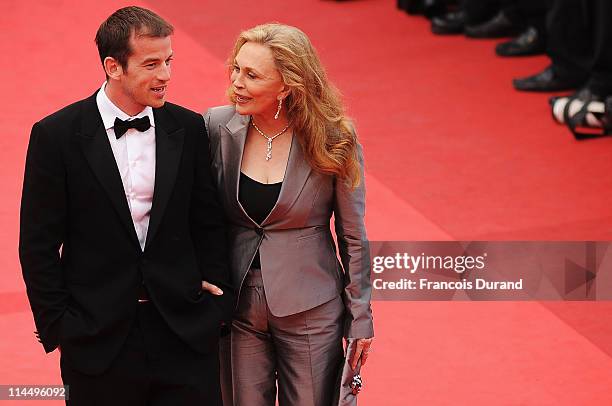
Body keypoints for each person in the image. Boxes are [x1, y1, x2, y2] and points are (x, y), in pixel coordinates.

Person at [19, 6, 232, 405]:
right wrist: (61, 328)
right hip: (97, 341)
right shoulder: (57, 135)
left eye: (168, 61)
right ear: (113, 66)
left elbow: (208, 221)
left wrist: (215, 310)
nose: (166, 75)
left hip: (183, 334)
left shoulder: (186, 129)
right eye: (151, 64)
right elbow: (37, 245)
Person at [205, 23, 374, 406]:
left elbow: (352, 236)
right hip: (239, 305)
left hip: (311, 307)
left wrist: (360, 316)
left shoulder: (333, 138)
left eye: (251, 75)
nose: (237, 83)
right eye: (235, 68)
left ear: (286, 86)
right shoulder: (216, 127)